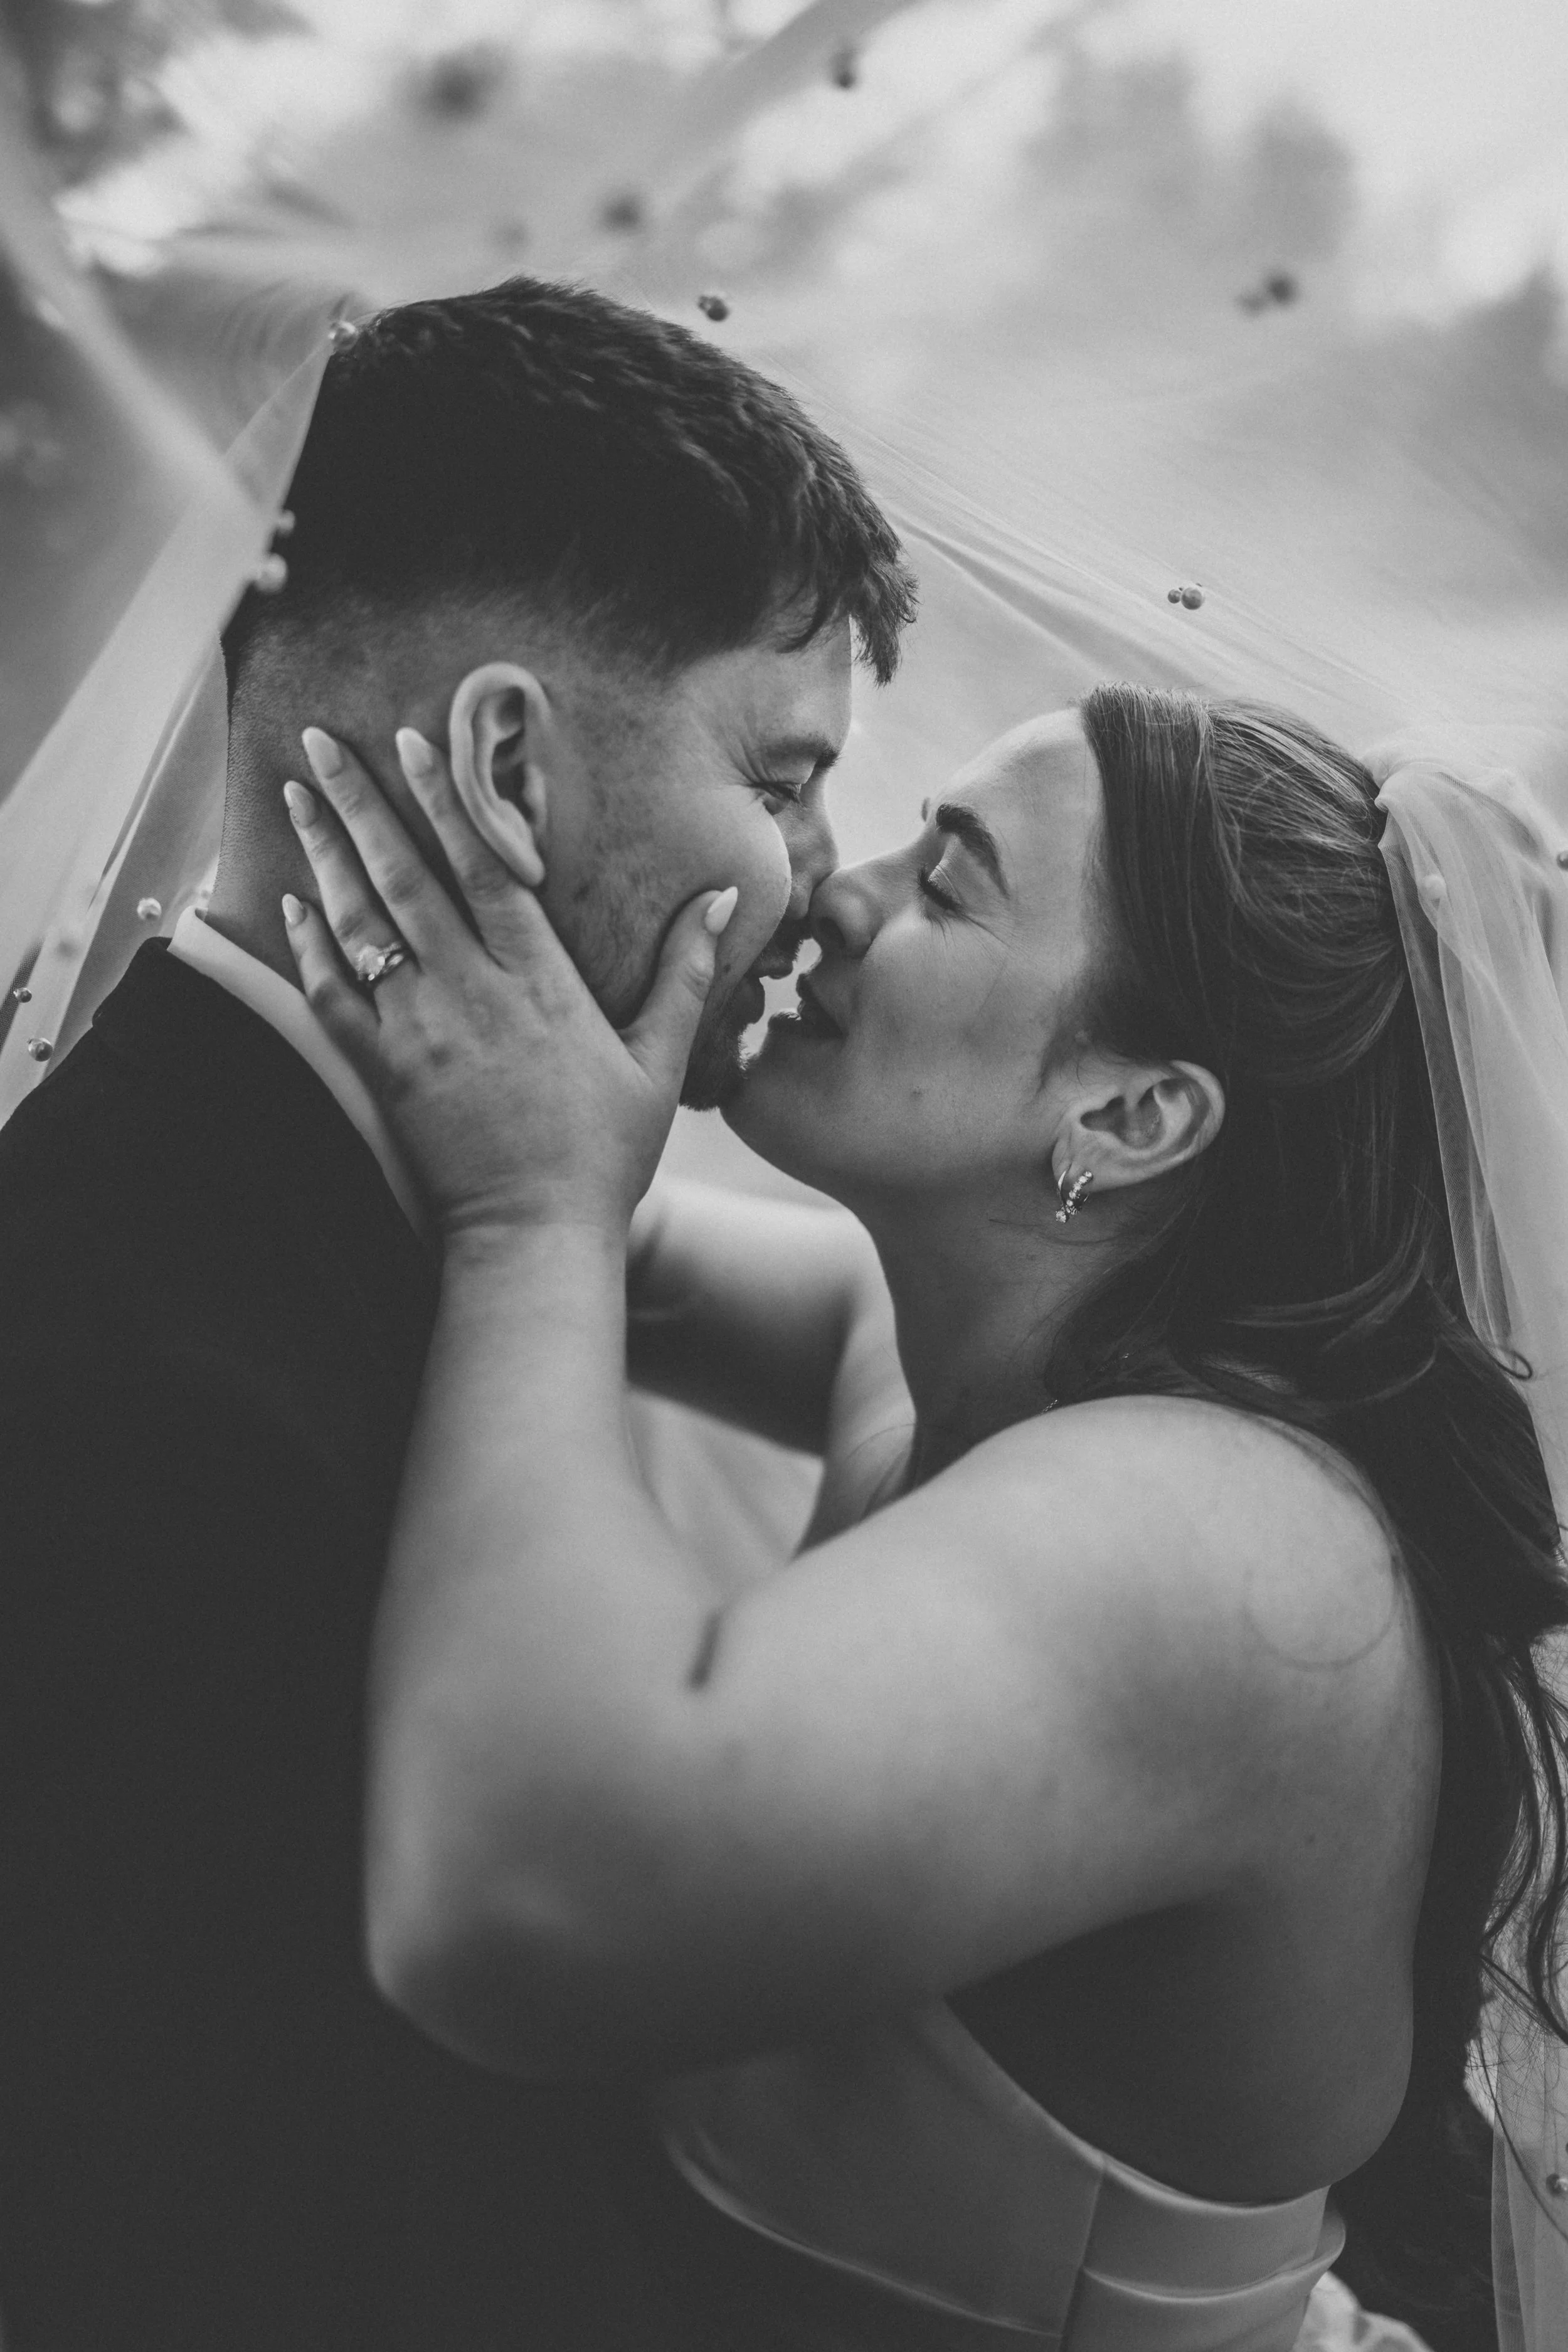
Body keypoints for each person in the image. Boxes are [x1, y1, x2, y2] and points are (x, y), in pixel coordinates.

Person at [278, 685, 1568, 2352]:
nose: (835, 889)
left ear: (1128, 1117)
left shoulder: (1239, 1545)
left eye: (944, 883)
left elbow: (515, 1894)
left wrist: (533, 1220)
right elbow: (526, 1165)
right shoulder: (942, 1351)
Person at [0, 276, 914, 2351]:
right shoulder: (130, 1405)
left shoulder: (402, 1227)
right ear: (506, 765)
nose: (820, 876)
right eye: (782, 775)